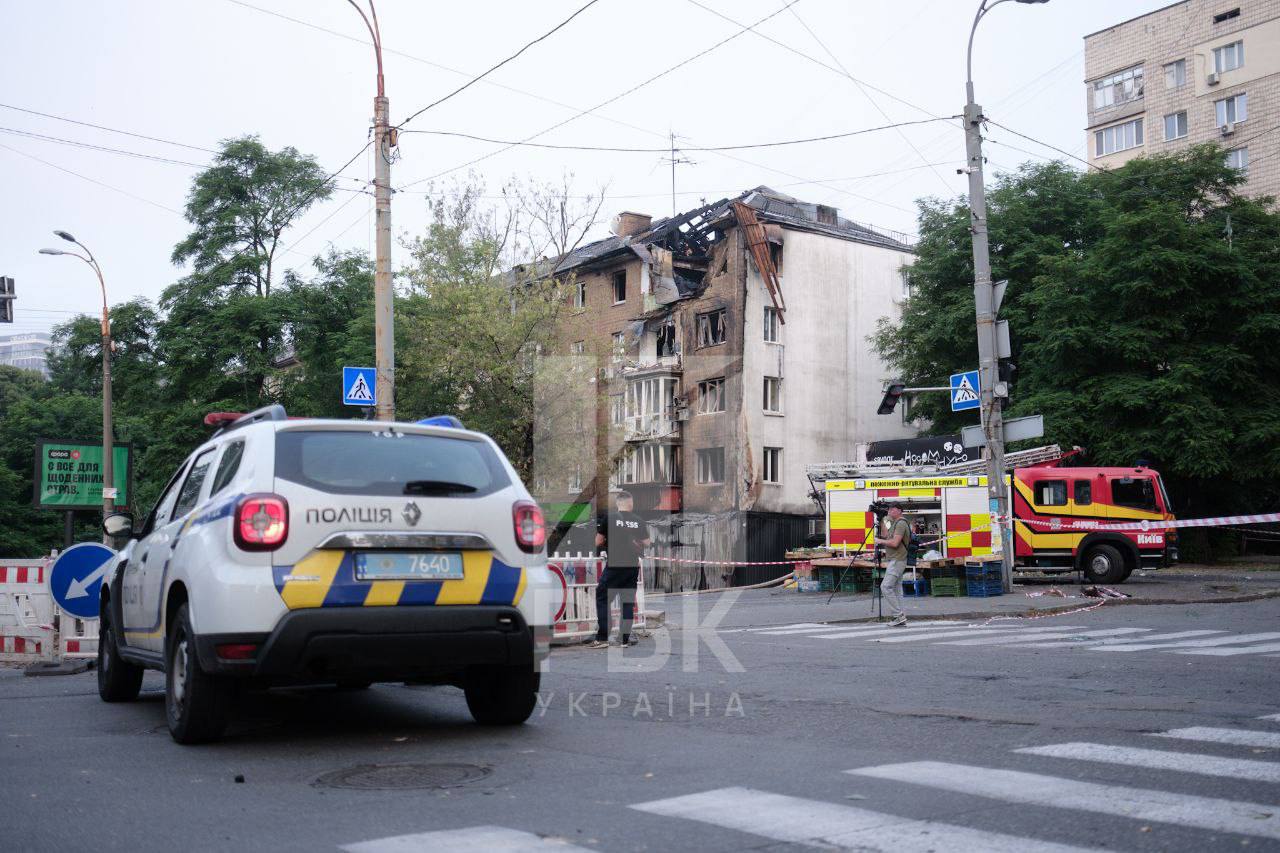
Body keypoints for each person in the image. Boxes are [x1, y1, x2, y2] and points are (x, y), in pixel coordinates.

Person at [588, 491, 651, 648]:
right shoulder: (638, 521)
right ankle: (623, 639)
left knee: (603, 597)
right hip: (632, 567)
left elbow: (598, 541)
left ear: (617, 503)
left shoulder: (609, 518)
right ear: (631, 503)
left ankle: (602, 638)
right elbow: (647, 543)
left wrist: (609, 542)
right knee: (627, 603)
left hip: (615, 566)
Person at [874, 503, 912, 627]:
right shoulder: (894, 523)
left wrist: (879, 541)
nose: (890, 511)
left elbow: (895, 543)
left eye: (893, 509)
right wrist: (881, 520)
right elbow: (886, 535)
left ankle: (898, 616)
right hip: (896, 559)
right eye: (889, 509)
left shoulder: (901, 523)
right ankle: (901, 617)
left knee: (885, 587)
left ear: (900, 510)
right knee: (896, 589)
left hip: (897, 559)